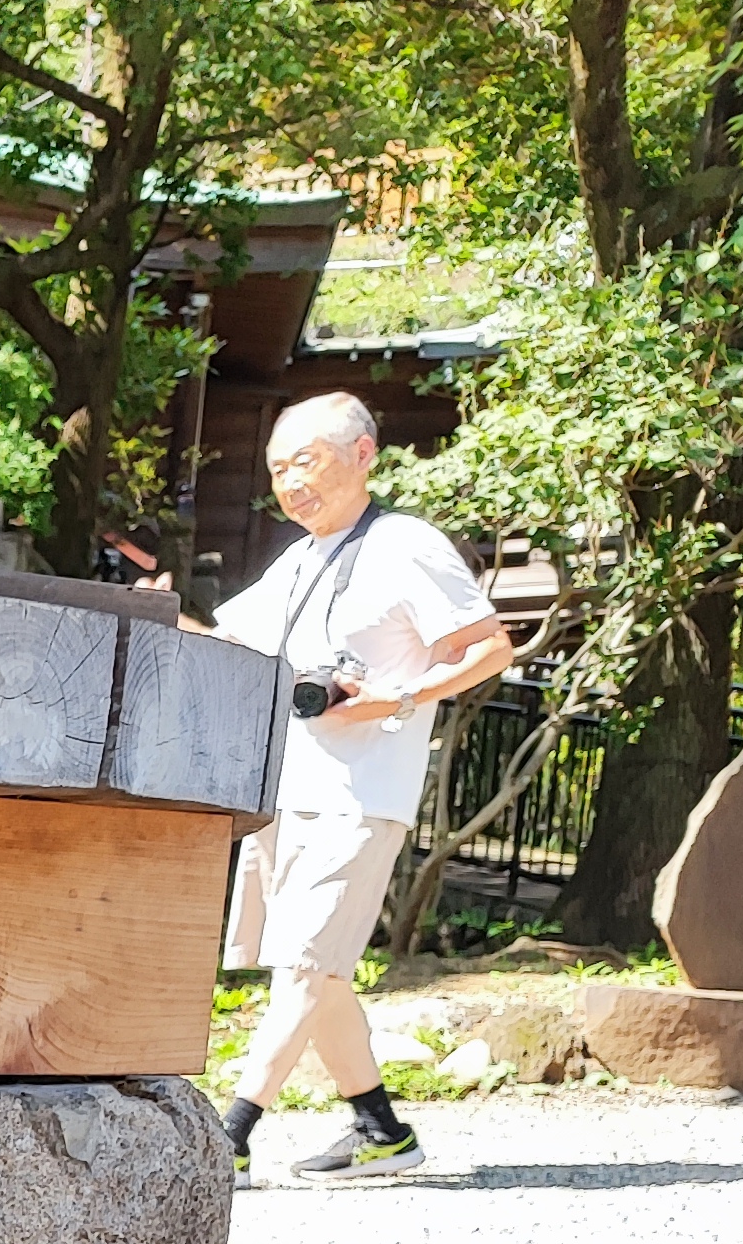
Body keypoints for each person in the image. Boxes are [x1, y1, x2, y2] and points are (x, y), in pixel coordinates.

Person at [203, 394, 516, 1178]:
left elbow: (490, 647)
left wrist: (397, 697)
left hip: (362, 793)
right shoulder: (304, 556)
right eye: (277, 469)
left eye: (305, 461)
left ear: (363, 453)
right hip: (287, 789)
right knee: (320, 969)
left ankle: (228, 1136)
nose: (290, 483)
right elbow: (234, 644)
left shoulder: (406, 545)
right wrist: (162, 619)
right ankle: (384, 1134)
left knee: (305, 964)